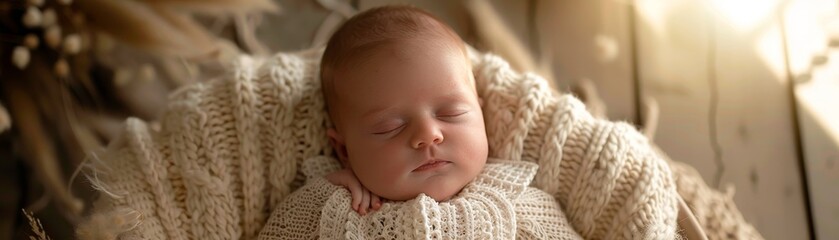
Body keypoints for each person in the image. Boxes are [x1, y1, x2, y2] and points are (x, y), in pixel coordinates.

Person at [258, 5, 582, 239]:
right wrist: (322, 194)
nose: (428, 135)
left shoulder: (514, 202)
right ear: (344, 150)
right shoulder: (330, 208)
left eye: (450, 113)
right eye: (389, 127)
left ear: (481, 115)